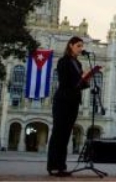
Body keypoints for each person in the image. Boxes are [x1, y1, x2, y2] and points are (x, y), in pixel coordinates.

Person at [47, 36, 100, 177]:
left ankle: (61, 166)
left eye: (82, 46)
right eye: (78, 46)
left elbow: (79, 85)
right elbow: (65, 82)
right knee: (58, 134)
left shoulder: (77, 63)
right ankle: (53, 166)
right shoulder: (63, 61)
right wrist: (80, 79)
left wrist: (86, 78)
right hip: (63, 101)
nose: (81, 48)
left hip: (73, 102)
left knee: (66, 135)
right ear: (70, 45)